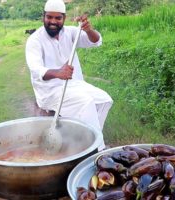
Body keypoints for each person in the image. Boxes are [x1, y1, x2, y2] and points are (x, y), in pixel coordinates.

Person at [25, 0, 113, 150]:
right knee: (86, 102)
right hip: (50, 91)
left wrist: (88, 30)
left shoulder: (71, 32)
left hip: (75, 84)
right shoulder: (35, 40)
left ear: (64, 18)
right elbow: (35, 70)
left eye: (58, 18)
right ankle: (96, 149)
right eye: (49, 17)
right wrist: (58, 73)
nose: (53, 21)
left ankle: (85, 139)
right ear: (43, 17)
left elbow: (96, 41)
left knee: (105, 100)